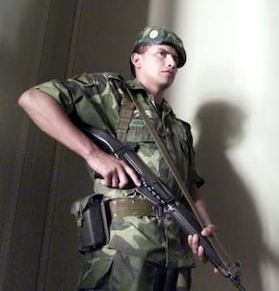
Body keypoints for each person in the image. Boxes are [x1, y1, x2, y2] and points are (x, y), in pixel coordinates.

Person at [18, 26, 215, 290]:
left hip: (176, 256)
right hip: (126, 249)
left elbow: (189, 186)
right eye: (163, 53)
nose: (171, 63)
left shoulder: (180, 129)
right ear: (137, 60)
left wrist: (201, 227)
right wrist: (94, 154)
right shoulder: (113, 94)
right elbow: (34, 99)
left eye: (176, 60)